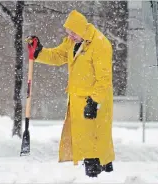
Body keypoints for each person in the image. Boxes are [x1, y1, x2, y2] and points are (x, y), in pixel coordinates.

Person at [27, 10, 115, 177]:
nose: (71, 36)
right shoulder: (72, 42)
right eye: (68, 33)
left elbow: (104, 79)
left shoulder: (99, 44)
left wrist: (94, 101)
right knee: (84, 140)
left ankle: (100, 173)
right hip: (77, 100)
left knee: (95, 140)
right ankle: (93, 173)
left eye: (73, 32)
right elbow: (57, 56)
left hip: (94, 100)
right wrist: (39, 52)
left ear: (81, 29)